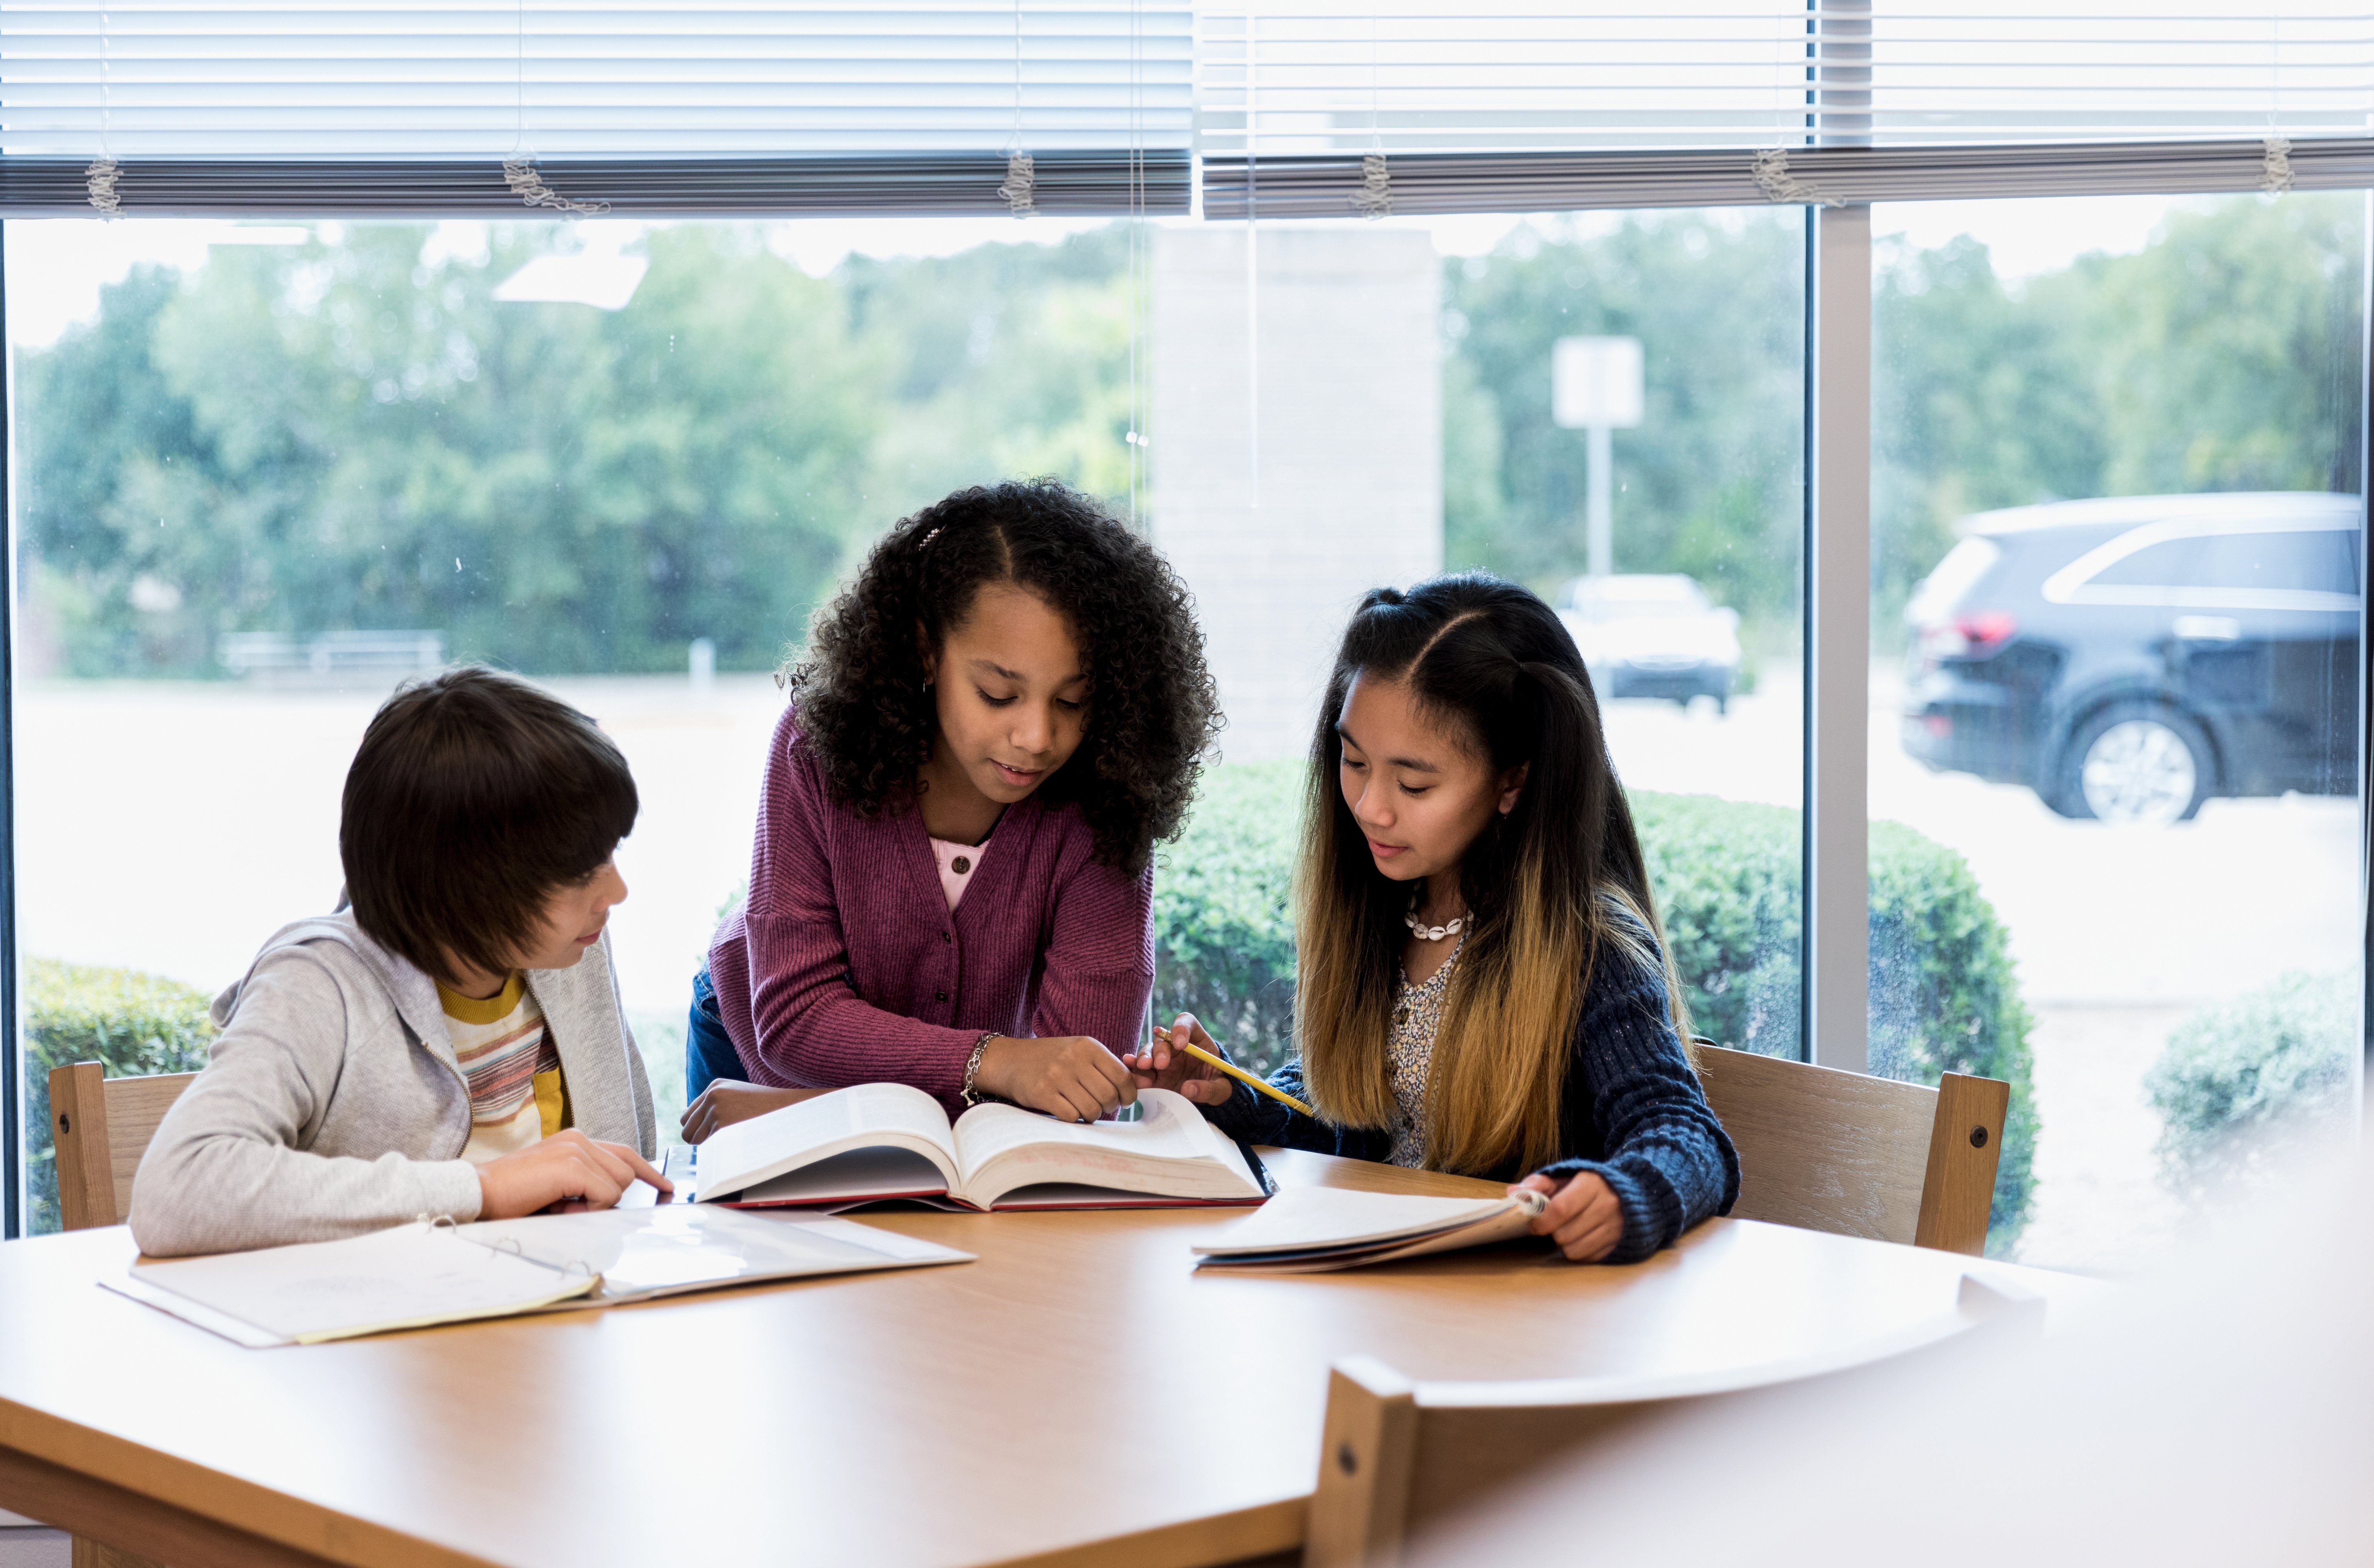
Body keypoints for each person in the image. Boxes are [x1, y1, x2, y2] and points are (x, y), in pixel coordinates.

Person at [1124, 575, 1738, 1263]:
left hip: (1522, 1312)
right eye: (1353, 761)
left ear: (1513, 781)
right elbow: (1356, 1130)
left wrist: (1626, 1192)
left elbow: (1685, 1132)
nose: (1370, 807)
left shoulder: (1592, 947)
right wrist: (1239, 1097)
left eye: (1414, 784)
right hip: (1383, 1290)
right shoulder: (1390, 902)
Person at [680, 479, 1220, 1138]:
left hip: (811, 1106)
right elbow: (796, 1021)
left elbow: (1080, 1082)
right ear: (926, 650)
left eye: (1072, 701)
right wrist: (999, 1062)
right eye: (998, 694)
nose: (1037, 738)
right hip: (755, 1063)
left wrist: (806, 1118)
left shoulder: (1107, 791)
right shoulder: (816, 744)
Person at [129, 667, 668, 1257]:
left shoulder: (568, 948)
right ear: (471, 885)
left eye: (609, 858)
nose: (616, 893)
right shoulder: (317, 984)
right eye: (582, 874)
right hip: (377, 1333)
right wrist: (483, 1189)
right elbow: (175, 1191)